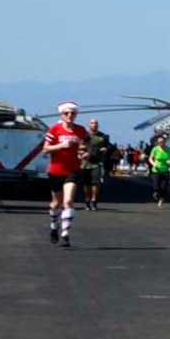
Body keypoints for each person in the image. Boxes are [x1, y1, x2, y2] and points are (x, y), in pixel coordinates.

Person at [42, 101, 90, 249]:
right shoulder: (55, 129)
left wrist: (87, 152)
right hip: (56, 170)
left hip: (73, 169)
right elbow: (45, 149)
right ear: (61, 115)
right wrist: (60, 146)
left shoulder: (80, 130)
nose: (69, 115)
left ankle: (65, 234)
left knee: (68, 201)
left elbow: (89, 142)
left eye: (72, 113)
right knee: (56, 202)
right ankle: (53, 226)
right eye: (66, 113)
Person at [80, 117, 110, 210]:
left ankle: (94, 200)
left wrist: (105, 149)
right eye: (92, 123)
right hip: (86, 162)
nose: (94, 125)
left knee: (96, 183)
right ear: (89, 125)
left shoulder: (103, 136)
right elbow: (79, 146)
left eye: (96, 123)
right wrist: (84, 151)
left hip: (97, 162)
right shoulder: (85, 136)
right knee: (86, 184)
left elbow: (107, 146)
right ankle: (87, 200)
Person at [148, 134, 170, 207]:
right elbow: (150, 158)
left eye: (163, 142)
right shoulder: (155, 149)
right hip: (156, 170)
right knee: (156, 186)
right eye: (160, 142)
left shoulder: (169, 150)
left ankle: (161, 200)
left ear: (165, 142)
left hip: (165, 170)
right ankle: (156, 193)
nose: (161, 143)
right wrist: (154, 164)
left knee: (164, 187)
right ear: (158, 143)